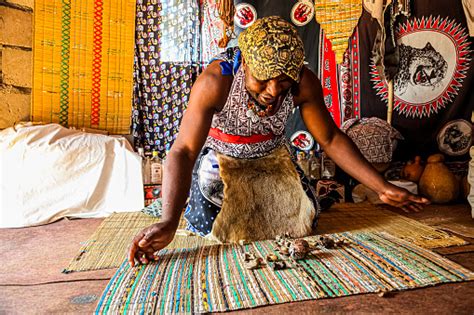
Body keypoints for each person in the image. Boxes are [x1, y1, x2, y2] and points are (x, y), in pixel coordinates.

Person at [129, 16, 429, 266]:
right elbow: (183, 150)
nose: (274, 90)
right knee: (214, 228)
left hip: (272, 159)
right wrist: (169, 222)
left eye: (284, 79)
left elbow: (330, 137)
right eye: (263, 78)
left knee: (304, 223)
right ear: (244, 63)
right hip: (221, 162)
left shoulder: (303, 82)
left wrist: (381, 187)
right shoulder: (215, 81)